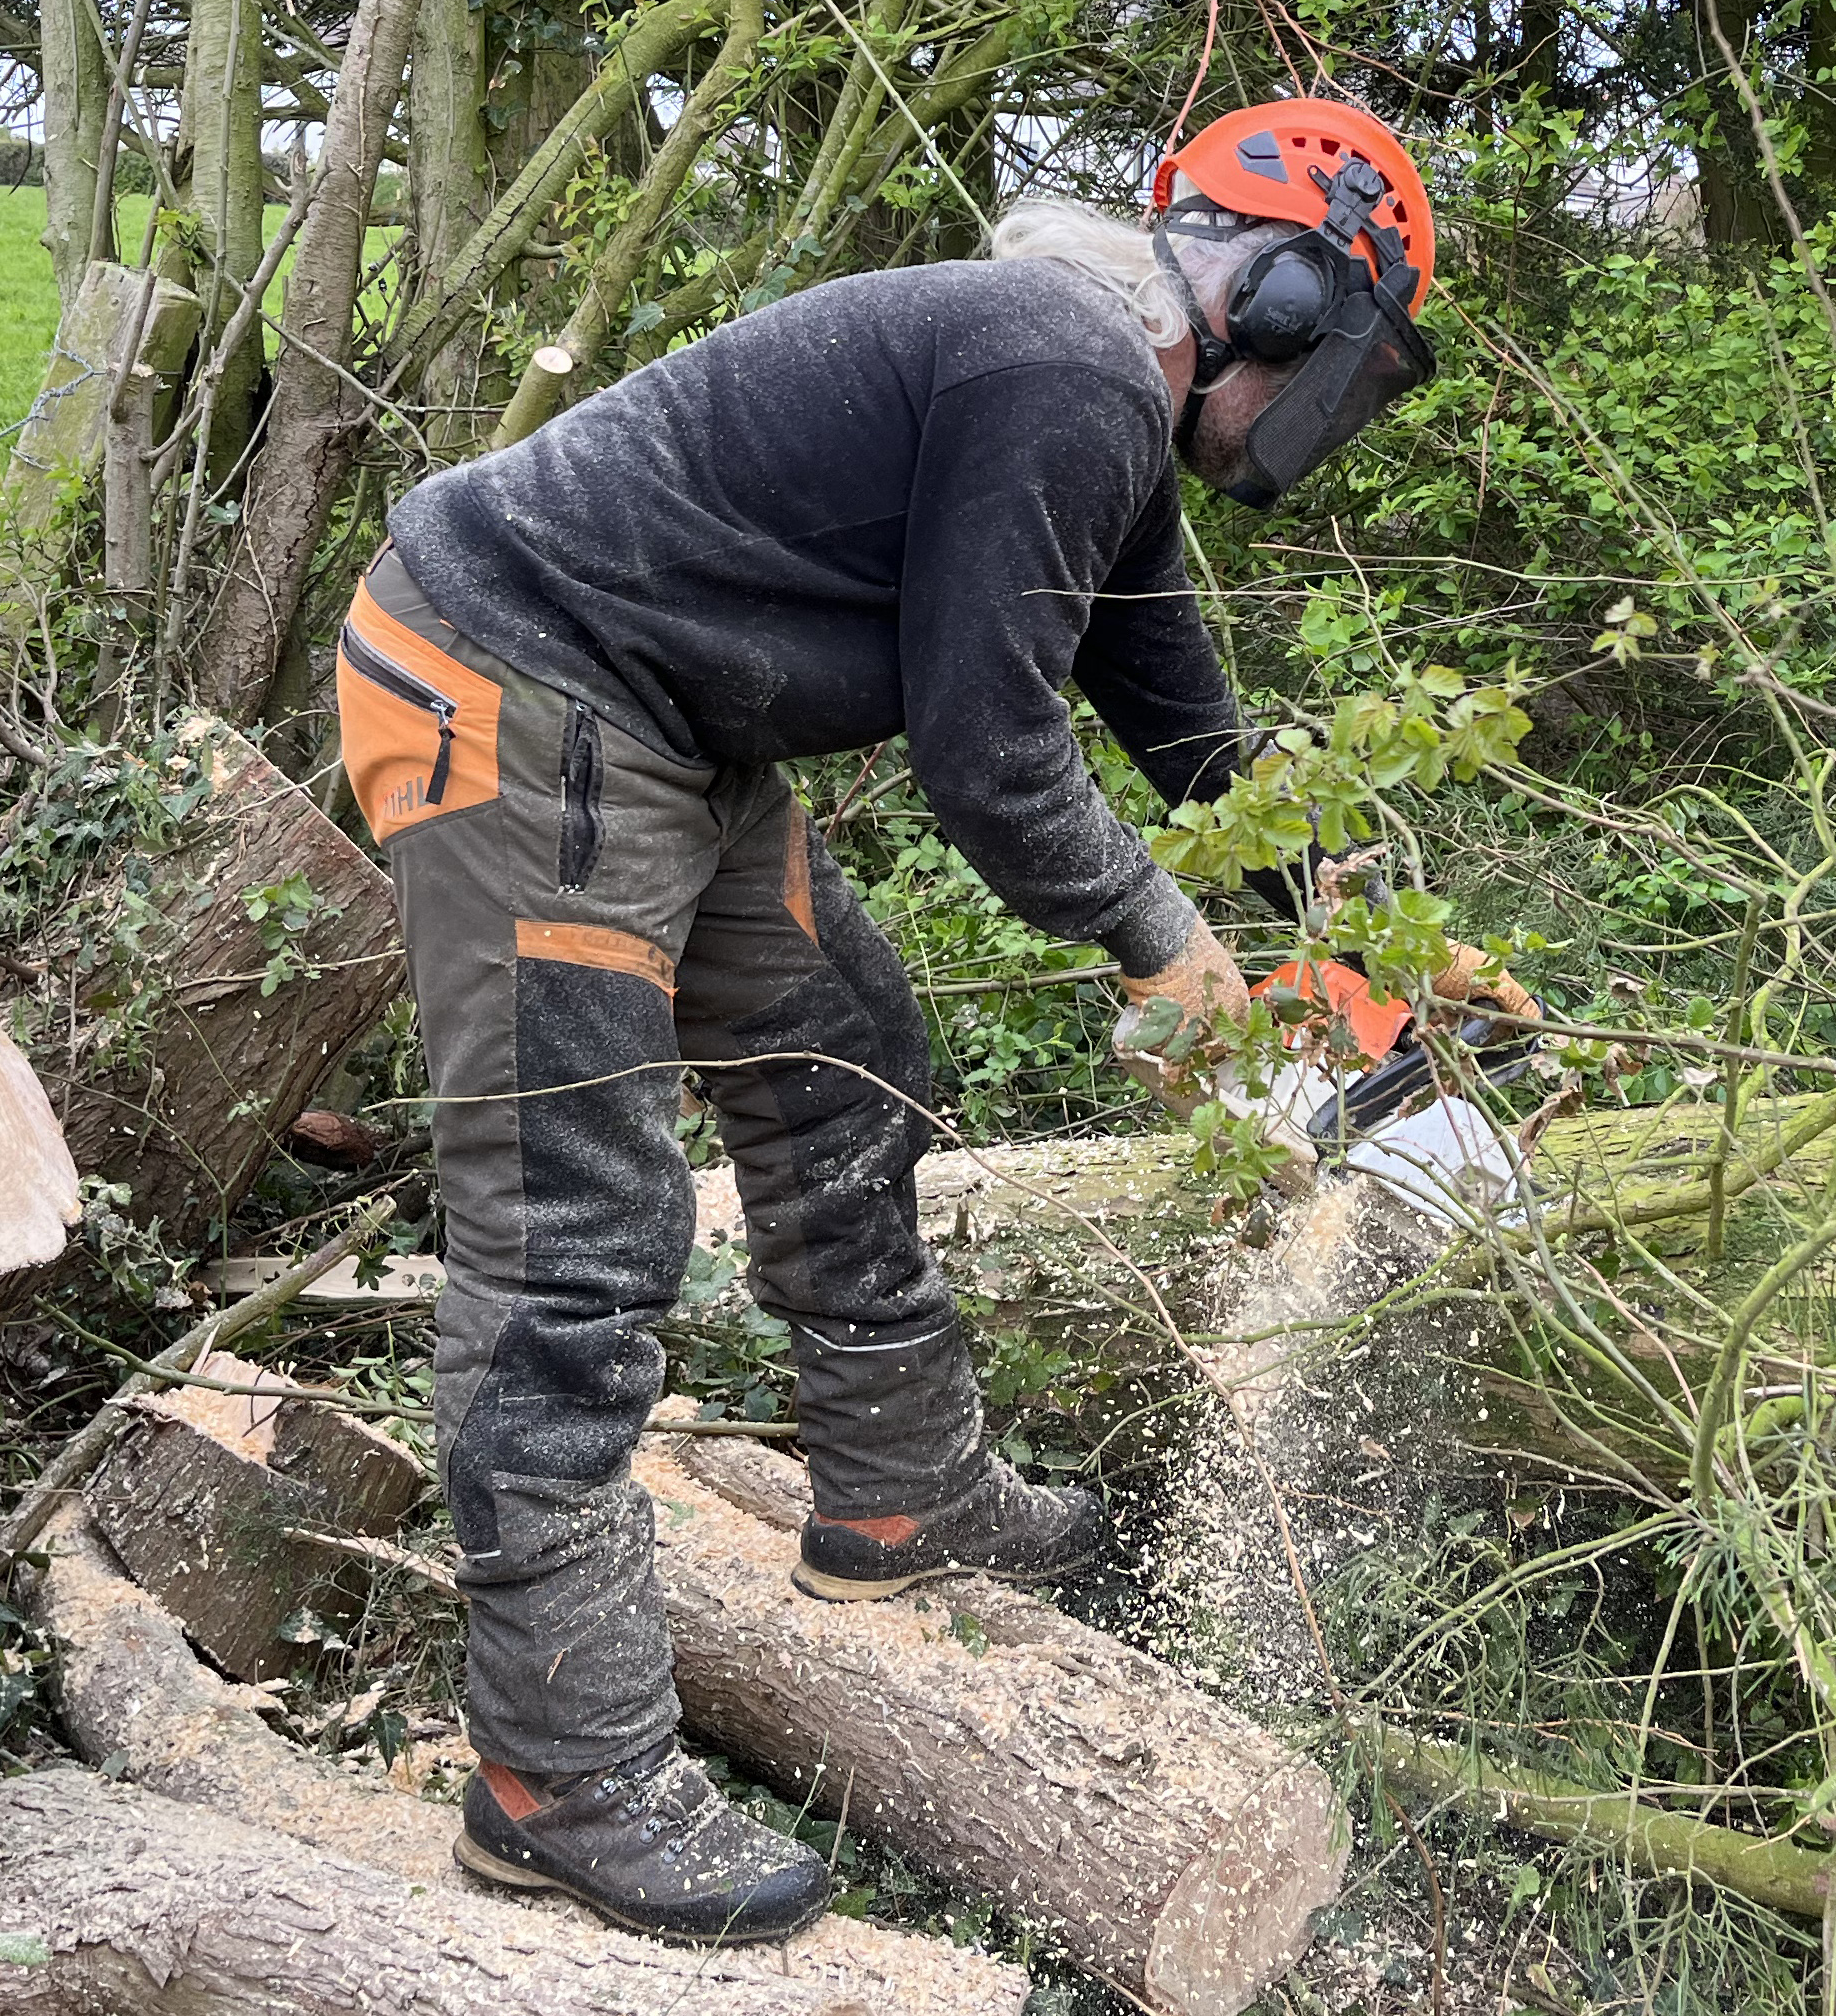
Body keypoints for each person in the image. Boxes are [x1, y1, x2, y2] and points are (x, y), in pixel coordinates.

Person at [334, 97, 1492, 1946]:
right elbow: (990, 749)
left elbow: (1179, 714)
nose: (1317, 411)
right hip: (525, 694)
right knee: (575, 1240)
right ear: (1278, 299)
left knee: (851, 1054)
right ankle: (558, 1777)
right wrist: (1161, 949)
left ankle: (902, 1493)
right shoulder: (1068, 369)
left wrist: (1365, 928)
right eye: (1335, 361)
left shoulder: (1086, 383)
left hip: (668, 722)